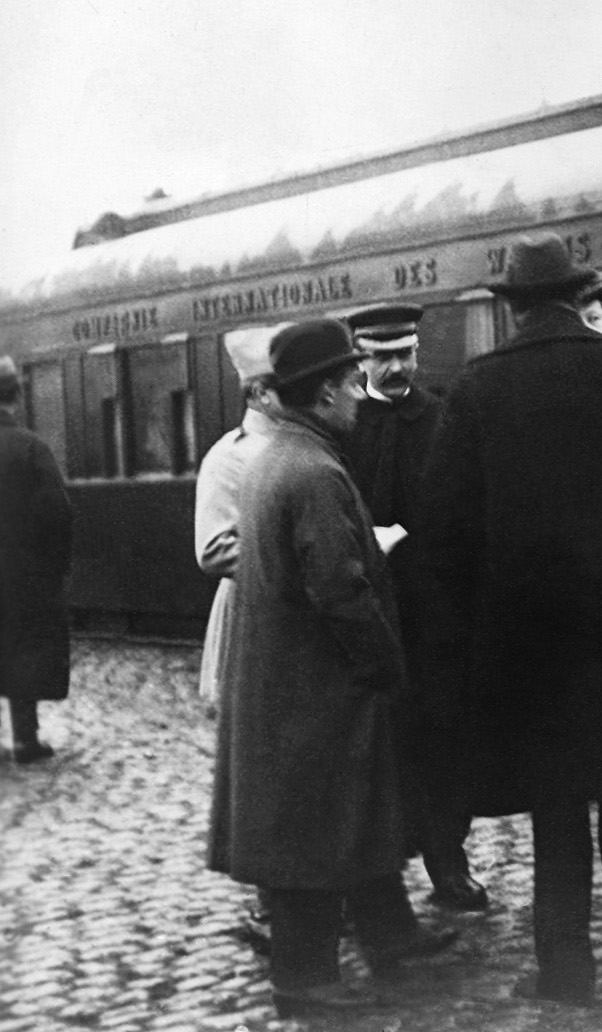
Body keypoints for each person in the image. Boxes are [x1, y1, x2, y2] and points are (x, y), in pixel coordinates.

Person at [415, 233, 602, 1004]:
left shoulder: (477, 390)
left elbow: (443, 528)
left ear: (512, 307)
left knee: (556, 807)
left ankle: (564, 970)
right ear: (582, 299)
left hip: (532, 647)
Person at [207, 319, 455, 1019]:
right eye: (349, 380)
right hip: (315, 688)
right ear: (321, 394)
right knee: (315, 830)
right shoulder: (314, 470)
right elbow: (339, 589)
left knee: (353, 813)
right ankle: (305, 977)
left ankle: (390, 934)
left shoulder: (276, 455)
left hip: (289, 683)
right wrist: (384, 663)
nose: (359, 390)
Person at [343, 302, 487, 913]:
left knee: (444, 740)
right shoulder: (345, 426)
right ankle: (377, 878)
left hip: (434, 613)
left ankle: (447, 860)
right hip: (368, 612)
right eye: (382, 356)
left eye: (405, 353)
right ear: (361, 360)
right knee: (373, 744)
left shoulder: (442, 417)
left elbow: (468, 503)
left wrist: (418, 538)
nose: (397, 366)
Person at [193, 327, 284, 713]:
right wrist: (295, 561)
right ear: (259, 393)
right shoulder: (228, 457)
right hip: (254, 613)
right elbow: (213, 549)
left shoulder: (305, 441)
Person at [0, 355, 72, 764]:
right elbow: (57, 514)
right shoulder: (31, 448)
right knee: (22, 648)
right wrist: (55, 569)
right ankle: (26, 740)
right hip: (23, 577)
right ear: (18, 395)